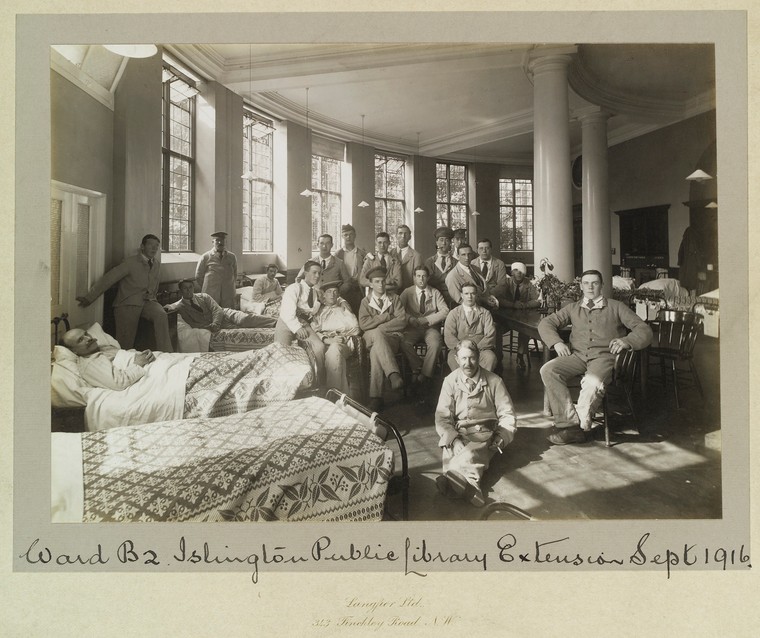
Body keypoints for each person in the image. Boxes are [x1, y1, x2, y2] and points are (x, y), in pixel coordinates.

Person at [538, 269, 653, 445]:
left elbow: (644, 329)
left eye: (595, 283)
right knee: (548, 369)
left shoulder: (616, 307)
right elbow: (546, 323)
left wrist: (627, 341)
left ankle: (578, 428)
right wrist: (556, 343)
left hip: (604, 358)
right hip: (577, 357)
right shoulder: (572, 308)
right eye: (586, 283)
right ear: (581, 286)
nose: (590, 287)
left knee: (592, 383)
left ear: (602, 285)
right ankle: (569, 423)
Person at [434, 339, 516, 507]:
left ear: (479, 358)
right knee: (452, 452)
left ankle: (456, 484)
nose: (468, 363)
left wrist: (502, 436)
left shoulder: (494, 381)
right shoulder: (450, 381)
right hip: (458, 433)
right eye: (463, 359)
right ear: (456, 359)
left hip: (484, 434)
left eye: (472, 358)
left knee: (472, 453)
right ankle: (471, 486)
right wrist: (454, 439)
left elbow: (508, 414)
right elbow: (442, 417)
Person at [76, 233, 173, 352]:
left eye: (156, 246)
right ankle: (122, 362)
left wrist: (152, 298)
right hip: (127, 303)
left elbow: (155, 284)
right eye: (151, 245)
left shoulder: (157, 264)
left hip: (148, 302)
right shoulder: (130, 262)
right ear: (142, 246)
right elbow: (109, 278)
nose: (154, 248)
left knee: (161, 315)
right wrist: (89, 297)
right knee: (125, 341)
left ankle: (167, 354)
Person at [357, 266, 408, 412]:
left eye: (383, 281)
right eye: (377, 282)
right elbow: (363, 324)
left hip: (392, 339)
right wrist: (385, 317)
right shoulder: (365, 302)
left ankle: (376, 398)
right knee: (377, 337)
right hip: (370, 339)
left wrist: (379, 327)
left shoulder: (395, 299)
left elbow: (402, 320)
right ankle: (393, 374)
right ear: (371, 284)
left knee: (375, 352)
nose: (381, 285)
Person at [399, 265, 449, 388]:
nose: (421, 279)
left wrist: (426, 319)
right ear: (414, 278)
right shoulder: (407, 292)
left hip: (430, 328)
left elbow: (445, 311)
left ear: (428, 278)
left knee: (436, 344)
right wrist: (410, 319)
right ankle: (419, 367)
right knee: (404, 342)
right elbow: (398, 311)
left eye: (424, 276)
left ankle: (423, 376)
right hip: (412, 328)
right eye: (418, 276)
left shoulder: (435, 292)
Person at [274, 260, 326, 378]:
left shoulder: (316, 293)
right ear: (306, 273)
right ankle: (282, 383)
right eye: (314, 273)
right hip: (287, 321)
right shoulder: (294, 288)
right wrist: (297, 328)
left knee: (319, 348)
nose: (317, 276)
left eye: (319, 273)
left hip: (304, 323)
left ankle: (317, 380)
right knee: (281, 352)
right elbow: (287, 313)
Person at [165, 278, 276, 332]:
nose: (189, 290)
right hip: (214, 325)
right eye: (185, 288)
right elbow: (192, 324)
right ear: (180, 291)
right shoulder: (181, 307)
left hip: (225, 314)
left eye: (191, 287)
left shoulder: (203, 296)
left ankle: (276, 322)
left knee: (245, 319)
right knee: (240, 330)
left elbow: (217, 309)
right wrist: (208, 327)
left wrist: (215, 323)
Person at [61, 327, 155, 390]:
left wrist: (142, 354)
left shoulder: (101, 347)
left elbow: (123, 355)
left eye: (86, 334)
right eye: (80, 340)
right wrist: (138, 363)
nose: (88, 338)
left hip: (152, 362)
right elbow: (119, 383)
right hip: (149, 373)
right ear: (74, 351)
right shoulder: (90, 363)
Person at [311, 280, 361, 395]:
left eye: (335, 292)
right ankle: (340, 394)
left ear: (338, 295)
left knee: (334, 350)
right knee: (326, 353)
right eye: (329, 292)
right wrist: (326, 339)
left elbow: (356, 328)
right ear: (324, 295)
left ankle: (334, 395)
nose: (332, 294)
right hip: (324, 343)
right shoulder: (319, 311)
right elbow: (314, 329)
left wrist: (342, 337)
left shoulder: (343, 309)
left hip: (342, 343)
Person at [443, 282, 498, 372]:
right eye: (466, 293)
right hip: (459, 350)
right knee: (452, 358)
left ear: (476, 295)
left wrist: (476, 349)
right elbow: (449, 336)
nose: (469, 296)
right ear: (461, 295)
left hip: (480, 350)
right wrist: (462, 349)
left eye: (472, 293)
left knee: (490, 357)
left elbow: (490, 335)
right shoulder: (453, 313)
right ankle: (462, 384)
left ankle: (480, 382)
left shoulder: (485, 313)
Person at [497, 261, 540, 369]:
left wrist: (524, 305)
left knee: (524, 330)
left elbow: (537, 301)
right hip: (506, 316)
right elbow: (498, 298)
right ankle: (498, 357)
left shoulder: (529, 284)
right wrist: (512, 305)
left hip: (522, 315)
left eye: (521, 271)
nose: (518, 273)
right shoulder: (506, 283)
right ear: (511, 272)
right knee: (496, 330)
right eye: (516, 270)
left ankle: (520, 356)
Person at [445, 244, 499, 309]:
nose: (467, 258)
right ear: (458, 256)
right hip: (470, 310)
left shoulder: (476, 268)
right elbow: (460, 300)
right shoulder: (452, 276)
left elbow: (483, 288)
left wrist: (490, 298)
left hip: (486, 307)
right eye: (463, 255)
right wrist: (483, 301)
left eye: (469, 254)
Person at [195, 231, 238, 308]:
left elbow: (235, 274)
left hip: (228, 293)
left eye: (222, 240)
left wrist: (227, 285)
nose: (219, 242)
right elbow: (198, 276)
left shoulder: (232, 257)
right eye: (217, 240)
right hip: (211, 293)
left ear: (225, 242)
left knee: (228, 314)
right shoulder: (205, 257)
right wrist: (209, 286)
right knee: (211, 313)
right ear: (213, 242)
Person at [334, 223, 367, 314]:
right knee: (345, 314)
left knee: (357, 313)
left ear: (355, 236)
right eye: (345, 235)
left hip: (357, 289)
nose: (348, 237)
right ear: (342, 236)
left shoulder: (362, 253)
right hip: (343, 289)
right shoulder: (337, 254)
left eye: (351, 234)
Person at [424, 226, 457, 306]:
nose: (444, 243)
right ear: (437, 243)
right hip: (434, 297)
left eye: (447, 240)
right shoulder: (429, 262)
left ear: (450, 243)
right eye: (441, 240)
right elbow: (428, 281)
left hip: (452, 298)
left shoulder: (456, 262)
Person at [390, 224, 424, 292]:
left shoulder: (416, 256)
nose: (403, 236)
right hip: (392, 293)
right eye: (400, 233)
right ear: (396, 236)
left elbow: (417, 279)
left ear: (410, 237)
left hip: (408, 293)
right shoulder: (390, 253)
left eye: (406, 234)